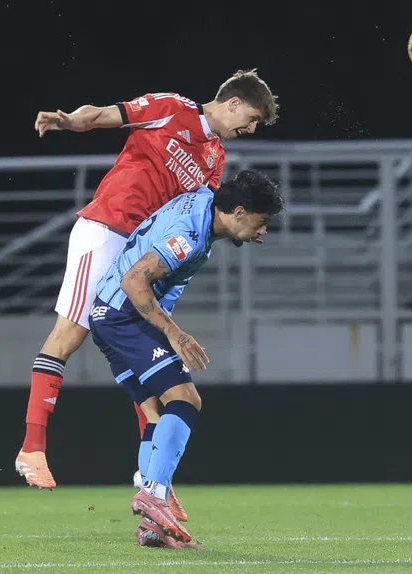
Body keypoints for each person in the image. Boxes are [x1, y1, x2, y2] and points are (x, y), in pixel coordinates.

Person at [16, 70, 279, 495]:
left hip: (141, 250)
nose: (250, 130)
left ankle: (152, 479)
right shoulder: (172, 108)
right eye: (251, 119)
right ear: (233, 103)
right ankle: (32, 448)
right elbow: (104, 115)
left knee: (149, 362)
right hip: (107, 228)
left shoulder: (214, 157)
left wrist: (241, 229)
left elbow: (203, 215)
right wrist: (69, 121)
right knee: (69, 335)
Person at [88, 170, 285, 548]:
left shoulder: (205, 202)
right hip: (124, 314)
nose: (263, 231)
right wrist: (174, 333)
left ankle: (152, 526)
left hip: (104, 313)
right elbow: (134, 281)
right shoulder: (189, 236)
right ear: (239, 212)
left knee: (155, 414)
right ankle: (153, 495)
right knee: (185, 399)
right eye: (261, 222)